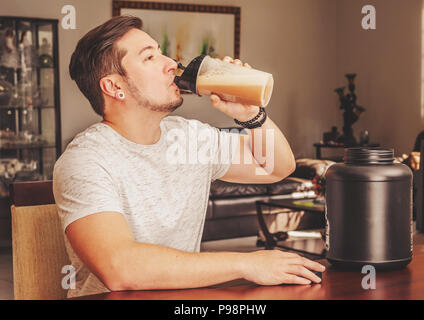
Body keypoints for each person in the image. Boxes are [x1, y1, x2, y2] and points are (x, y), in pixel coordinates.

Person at [53, 15, 325, 298]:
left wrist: (250, 115)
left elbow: (275, 168)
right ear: (114, 87)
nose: (171, 63)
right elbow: (120, 267)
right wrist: (247, 262)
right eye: (149, 58)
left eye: (161, 52)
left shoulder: (189, 138)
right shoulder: (85, 160)